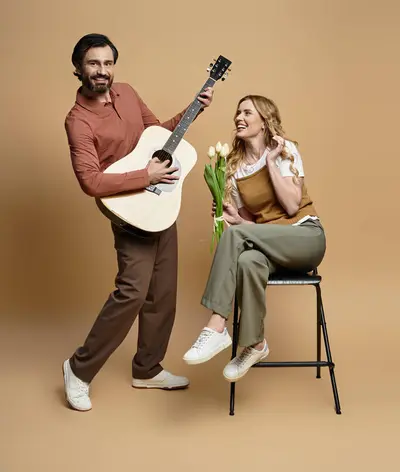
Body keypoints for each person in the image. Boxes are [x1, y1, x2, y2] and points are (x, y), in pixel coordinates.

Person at [63, 33, 214, 411]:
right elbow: (91, 182)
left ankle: (147, 368)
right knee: (132, 291)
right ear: (78, 68)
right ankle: (78, 370)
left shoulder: (128, 93)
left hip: (159, 202)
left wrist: (193, 109)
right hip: (125, 209)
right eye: (94, 64)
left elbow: (160, 135)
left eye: (108, 63)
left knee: (162, 290)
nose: (102, 71)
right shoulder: (78, 120)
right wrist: (144, 177)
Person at [183, 94, 326, 382]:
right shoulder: (235, 168)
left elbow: (290, 207)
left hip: (304, 238)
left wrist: (271, 161)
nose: (239, 117)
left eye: (247, 112)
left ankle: (216, 325)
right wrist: (235, 217)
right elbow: (254, 224)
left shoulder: (286, 151)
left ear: (264, 121)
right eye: (238, 112)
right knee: (248, 260)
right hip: (270, 246)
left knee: (239, 238)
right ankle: (255, 343)